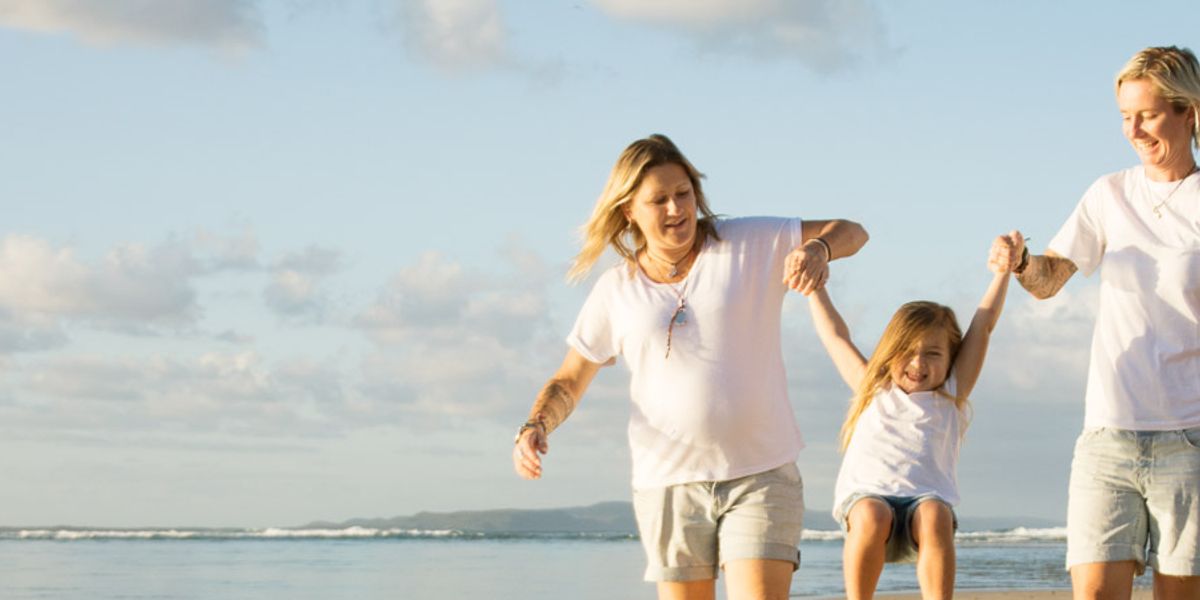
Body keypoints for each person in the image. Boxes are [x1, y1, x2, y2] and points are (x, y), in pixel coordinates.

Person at [511, 134, 868, 600]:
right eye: (658, 200)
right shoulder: (615, 290)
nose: (676, 208)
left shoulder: (748, 242)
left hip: (760, 471)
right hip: (667, 482)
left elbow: (853, 230)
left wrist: (818, 250)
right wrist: (537, 424)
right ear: (628, 212)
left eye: (683, 193)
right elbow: (569, 378)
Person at [992, 46, 1200, 599]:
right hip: (1108, 433)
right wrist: (1020, 262)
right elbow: (1049, 280)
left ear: (1189, 111)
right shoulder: (1109, 193)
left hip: (1192, 437)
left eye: (1148, 113)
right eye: (1124, 116)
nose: (1133, 129)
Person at [808, 234, 1018, 600]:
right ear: (890, 354)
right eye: (907, 352)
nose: (919, 363)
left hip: (925, 504)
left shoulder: (951, 393)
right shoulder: (872, 389)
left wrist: (1003, 272)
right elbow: (835, 336)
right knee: (873, 515)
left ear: (951, 357)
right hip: (869, 503)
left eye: (933, 354)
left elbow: (983, 325)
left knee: (936, 514)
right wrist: (814, 288)